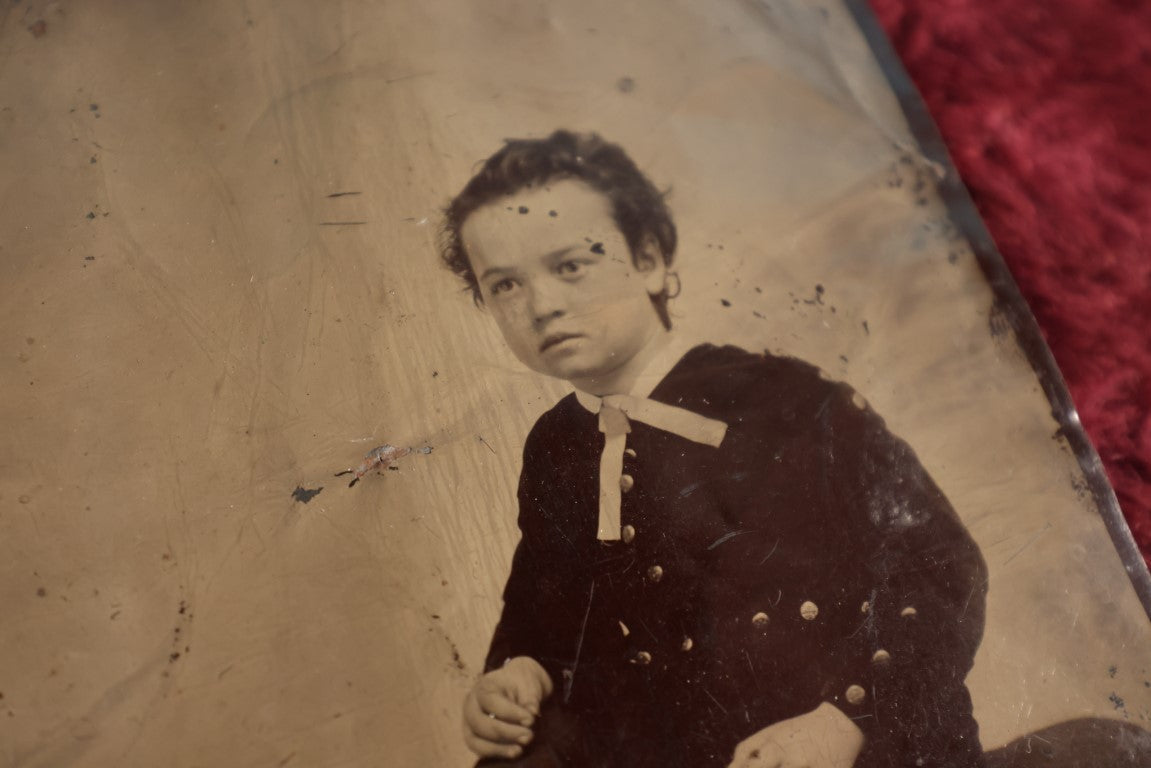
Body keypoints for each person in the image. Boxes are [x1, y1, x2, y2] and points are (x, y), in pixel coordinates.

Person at [439, 130, 988, 768]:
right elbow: (546, 615)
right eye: (504, 285)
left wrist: (845, 719)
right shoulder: (557, 446)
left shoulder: (788, 399)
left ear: (648, 260)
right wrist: (518, 674)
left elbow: (943, 568)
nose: (542, 304)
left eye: (570, 266)